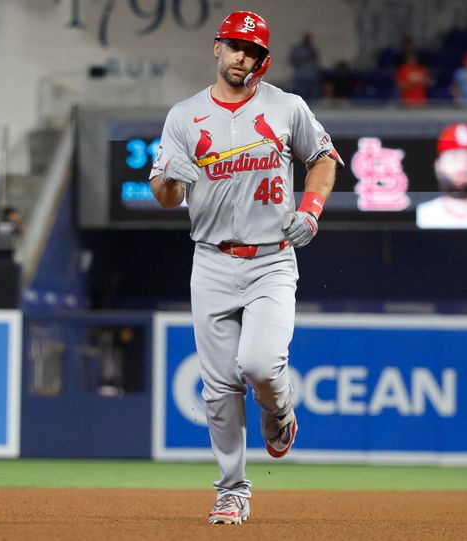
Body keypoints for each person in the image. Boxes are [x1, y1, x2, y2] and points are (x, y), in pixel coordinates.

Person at [148, 11, 343, 526]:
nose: (242, 57)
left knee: (258, 366)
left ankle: (278, 412)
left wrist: (311, 210)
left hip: (272, 258)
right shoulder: (184, 116)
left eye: (253, 50)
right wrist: (170, 176)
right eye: (235, 46)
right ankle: (232, 490)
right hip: (211, 258)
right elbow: (165, 197)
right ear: (217, 48)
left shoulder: (286, 106)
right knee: (217, 389)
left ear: (265, 59)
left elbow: (324, 158)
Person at [289, 32, 321, 101]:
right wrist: (303, 59)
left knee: (313, 99)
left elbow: (316, 62)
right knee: (301, 98)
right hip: (301, 77)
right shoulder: (297, 49)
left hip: (312, 78)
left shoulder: (313, 49)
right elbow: (292, 61)